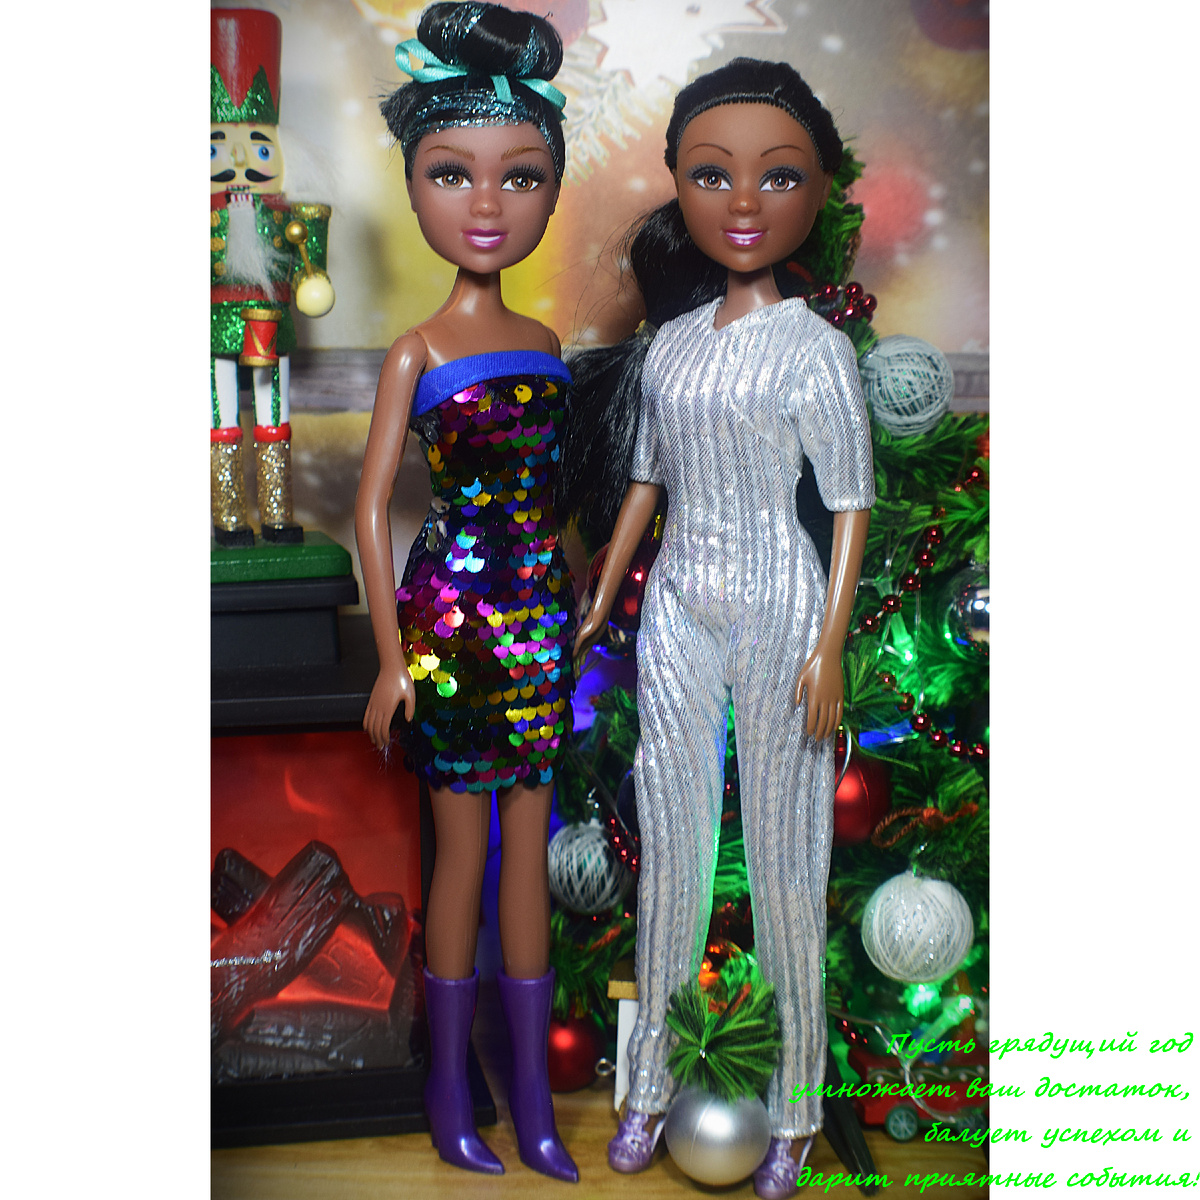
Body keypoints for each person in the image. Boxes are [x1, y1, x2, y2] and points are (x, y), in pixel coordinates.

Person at [567, 58, 875, 1200]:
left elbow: (850, 503)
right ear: (680, 186)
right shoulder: (674, 343)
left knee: (791, 864)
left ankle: (796, 1105)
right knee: (674, 856)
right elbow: (646, 479)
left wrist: (830, 646)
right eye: (712, 174)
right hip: (679, 608)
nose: (744, 202)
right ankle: (647, 1085)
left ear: (818, 191)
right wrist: (605, 590)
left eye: (777, 176)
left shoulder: (816, 347)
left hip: (785, 607)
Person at [356, 2, 577, 1182]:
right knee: (459, 856)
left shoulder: (545, 343)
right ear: (415, 186)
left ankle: (532, 1106)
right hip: (450, 626)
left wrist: (583, 599)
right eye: (453, 173)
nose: (486, 204)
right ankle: (451, 1094)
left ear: (549, 191)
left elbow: (555, 494)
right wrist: (393, 661)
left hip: (538, 624)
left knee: (527, 855)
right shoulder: (418, 350)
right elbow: (371, 507)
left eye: (519, 176)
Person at [210, 7, 335, 547]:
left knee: (273, 409)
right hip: (214, 325)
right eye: (215, 146)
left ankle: (278, 512)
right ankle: (229, 515)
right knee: (220, 415)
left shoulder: (293, 215)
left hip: (271, 321)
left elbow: (312, 271)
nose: (239, 161)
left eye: (260, 147)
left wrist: (312, 272)